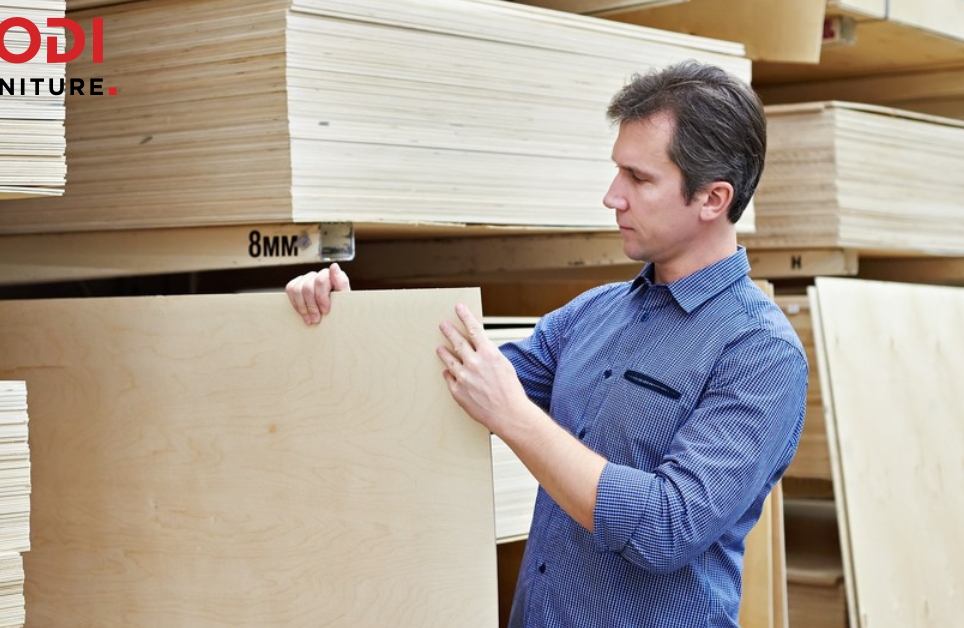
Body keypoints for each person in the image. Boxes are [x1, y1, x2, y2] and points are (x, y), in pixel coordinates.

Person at [286, 60, 807, 628]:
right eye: (617, 173)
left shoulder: (759, 353)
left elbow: (668, 527)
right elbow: (449, 379)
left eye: (639, 178)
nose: (613, 197)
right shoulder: (593, 314)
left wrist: (514, 418)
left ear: (713, 199)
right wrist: (343, 312)